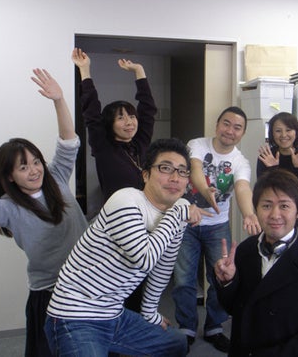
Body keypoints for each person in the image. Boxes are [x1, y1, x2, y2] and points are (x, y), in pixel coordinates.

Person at [0, 69, 89, 357]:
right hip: (50, 291)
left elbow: (69, 142)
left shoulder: (57, 178)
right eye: (23, 167)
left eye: (36, 162)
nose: (34, 170)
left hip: (87, 279)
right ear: (9, 176)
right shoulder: (9, 208)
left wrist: (59, 100)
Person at [45, 138, 211, 357]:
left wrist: (150, 313)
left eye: (182, 172)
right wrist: (180, 209)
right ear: (145, 175)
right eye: (165, 168)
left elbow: (163, 266)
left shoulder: (175, 213)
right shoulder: (126, 200)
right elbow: (145, 259)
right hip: (75, 314)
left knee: (176, 343)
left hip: (114, 314)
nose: (175, 178)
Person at [213, 168, 298, 356]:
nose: (275, 215)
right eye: (266, 206)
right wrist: (228, 282)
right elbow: (235, 309)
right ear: (256, 209)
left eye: (284, 206)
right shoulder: (245, 250)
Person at [172, 106, 261, 353]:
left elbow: (242, 188)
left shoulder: (241, 162)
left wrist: (249, 213)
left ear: (242, 133)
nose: (230, 130)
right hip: (187, 223)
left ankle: (214, 327)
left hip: (217, 227)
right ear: (217, 125)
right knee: (183, 279)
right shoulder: (197, 144)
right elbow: (195, 169)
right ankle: (186, 328)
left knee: (221, 277)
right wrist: (204, 190)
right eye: (226, 124)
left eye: (237, 127)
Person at [72, 47, 157, 205]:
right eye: (120, 118)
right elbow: (92, 112)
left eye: (132, 116)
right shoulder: (103, 147)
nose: (129, 122)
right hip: (119, 214)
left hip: (148, 211)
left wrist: (139, 71)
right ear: (109, 123)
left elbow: (148, 110)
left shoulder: (140, 143)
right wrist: (84, 69)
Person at [257, 111, 298, 235]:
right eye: (278, 131)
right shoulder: (267, 156)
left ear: (296, 132)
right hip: (273, 221)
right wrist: (272, 169)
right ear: (272, 133)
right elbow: (263, 193)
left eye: (288, 130)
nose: (283, 135)